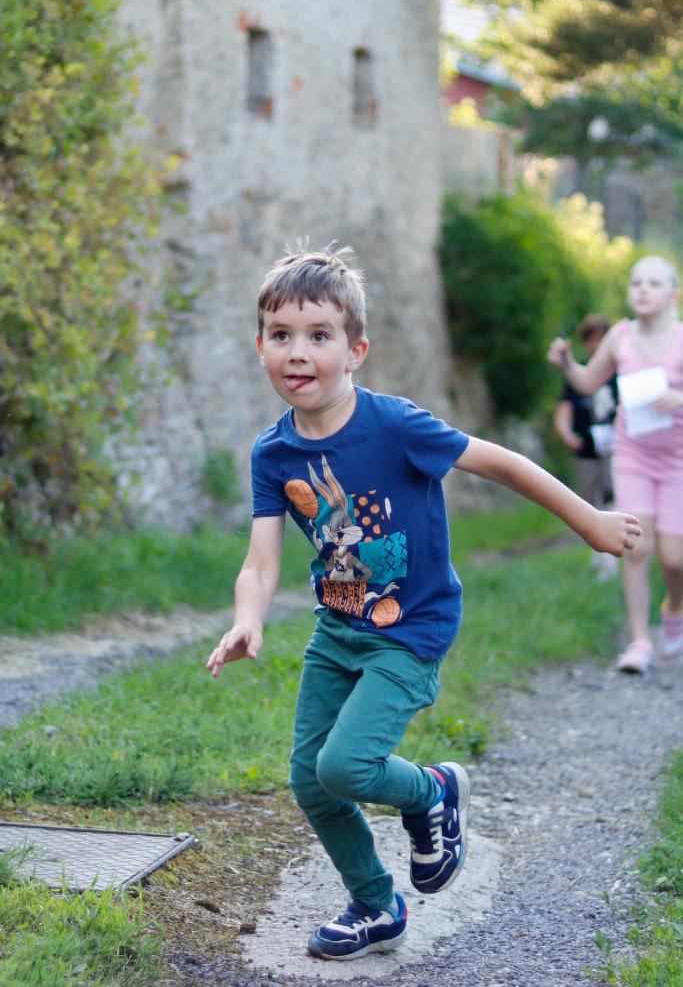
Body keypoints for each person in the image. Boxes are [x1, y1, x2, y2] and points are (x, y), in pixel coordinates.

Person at [206, 244, 640, 962]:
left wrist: (588, 521)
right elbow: (259, 559)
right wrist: (247, 620)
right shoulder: (273, 454)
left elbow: (499, 461)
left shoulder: (395, 426)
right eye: (280, 335)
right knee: (311, 781)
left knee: (345, 768)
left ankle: (432, 792)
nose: (297, 351)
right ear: (260, 347)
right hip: (338, 629)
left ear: (355, 351)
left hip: (411, 629)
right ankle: (376, 906)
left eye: (319, 335)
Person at [549, 255, 683, 674]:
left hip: (678, 461)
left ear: (673, 295)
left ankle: (674, 608)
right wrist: (567, 364)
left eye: (653, 283)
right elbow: (588, 382)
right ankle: (640, 640)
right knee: (637, 546)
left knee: (675, 559)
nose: (642, 289)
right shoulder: (619, 337)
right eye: (637, 282)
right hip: (632, 456)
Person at [553, 314, 619, 579]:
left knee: (613, 496)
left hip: (617, 448)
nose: (596, 345)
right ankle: (597, 551)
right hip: (587, 448)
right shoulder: (576, 378)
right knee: (589, 500)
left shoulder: (620, 373)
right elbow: (564, 411)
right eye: (591, 340)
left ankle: (612, 557)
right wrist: (567, 435)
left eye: (601, 339)